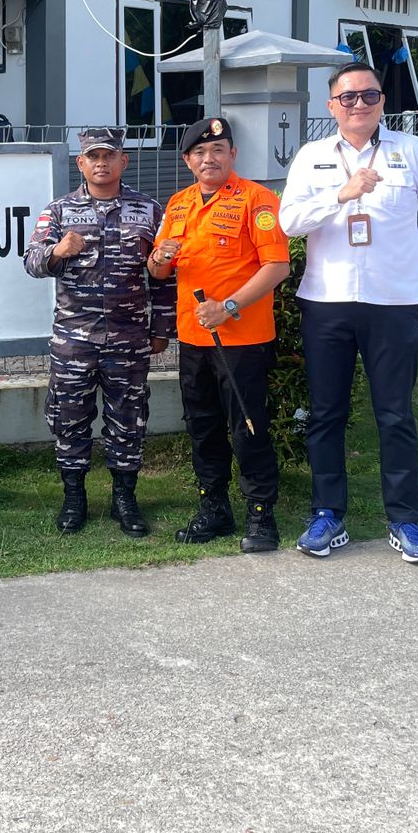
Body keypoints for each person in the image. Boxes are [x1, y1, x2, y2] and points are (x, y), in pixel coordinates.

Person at [279, 63, 418, 564]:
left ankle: (405, 521)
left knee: (395, 414)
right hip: (327, 300)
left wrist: (413, 249)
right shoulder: (313, 156)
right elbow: (289, 222)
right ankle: (327, 515)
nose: (359, 104)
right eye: (348, 98)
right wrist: (341, 193)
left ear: (382, 102)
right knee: (325, 414)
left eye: (369, 95)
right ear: (331, 106)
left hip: (393, 301)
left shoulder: (412, 151)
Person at [24, 127, 175, 537]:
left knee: (128, 419)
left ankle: (124, 498)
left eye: (109, 155)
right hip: (74, 339)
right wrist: (58, 250)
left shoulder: (147, 210)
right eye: (93, 156)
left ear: (124, 161)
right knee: (70, 419)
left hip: (129, 340)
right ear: (81, 163)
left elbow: (163, 276)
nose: (101, 163)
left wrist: (161, 328)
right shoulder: (58, 211)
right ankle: (74, 497)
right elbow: (31, 261)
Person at [148, 117, 290, 552]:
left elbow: (278, 267)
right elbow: (158, 269)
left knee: (247, 427)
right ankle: (215, 509)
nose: (209, 159)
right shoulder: (178, 204)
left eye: (218, 150)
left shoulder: (257, 200)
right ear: (188, 160)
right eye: (200, 153)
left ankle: (262, 517)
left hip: (242, 339)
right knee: (203, 427)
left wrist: (229, 306)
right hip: (192, 337)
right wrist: (159, 257)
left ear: (232, 155)